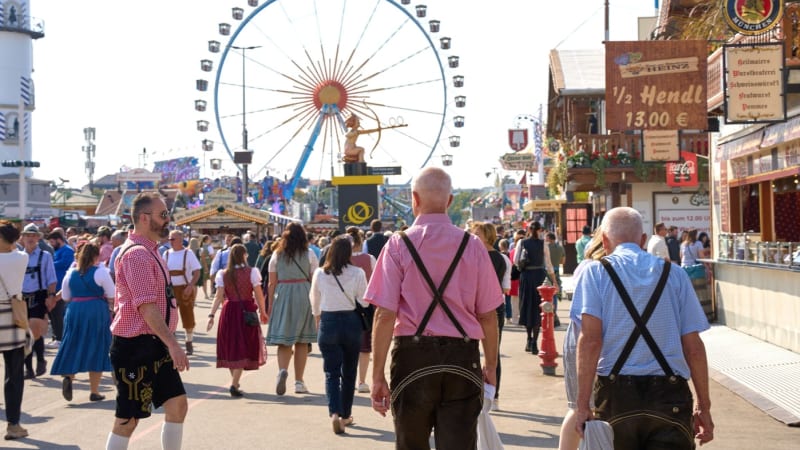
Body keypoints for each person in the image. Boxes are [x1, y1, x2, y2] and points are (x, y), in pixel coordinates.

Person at [366, 167, 502, 449]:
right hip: (462, 356)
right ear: (450, 201)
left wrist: (377, 374)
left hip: (412, 356)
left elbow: (384, 315)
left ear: (414, 199)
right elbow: (488, 315)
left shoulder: (398, 244)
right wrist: (490, 364)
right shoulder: (473, 245)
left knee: (411, 443)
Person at [573, 207, 714, 449]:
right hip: (670, 396)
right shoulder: (676, 274)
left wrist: (582, 404)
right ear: (643, 240)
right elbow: (694, 348)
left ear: (604, 240)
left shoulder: (595, 273)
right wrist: (704, 406)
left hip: (616, 395)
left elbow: (590, 341)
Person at [106, 192, 190, 450]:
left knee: (177, 404)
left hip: (154, 343)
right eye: (163, 214)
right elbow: (147, 308)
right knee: (127, 420)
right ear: (144, 218)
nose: (168, 220)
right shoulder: (137, 255)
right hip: (135, 347)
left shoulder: (152, 251)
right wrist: (173, 344)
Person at [309, 236, 368, 434]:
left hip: (328, 321)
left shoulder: (320, 273)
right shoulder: (357, 272)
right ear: (349, 253)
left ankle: (334, 412)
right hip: (351, 322)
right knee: (349, 372)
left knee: (331, 372)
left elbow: (314, 299)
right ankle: (345, 415)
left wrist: (318, 319)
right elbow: (365, 301)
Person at [558, 224, 606, 450]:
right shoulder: (594, 268)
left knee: (581, 406)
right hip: (583, 339)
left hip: (579, 338)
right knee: (580, 406)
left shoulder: (587, 266)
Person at [50, 242, 114, 403]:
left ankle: (69, 377)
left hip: (75, 310)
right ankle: (94, 391)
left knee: (73, 343)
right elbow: (112, 293)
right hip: (96, 310)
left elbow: (65, 296)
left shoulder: (70, 273)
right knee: (97, 346)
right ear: (95, 256)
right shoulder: (101, 272)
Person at [206, 244, 267, 397]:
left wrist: (212, 315)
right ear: (245, 255)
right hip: (246, 310)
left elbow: (218, 296)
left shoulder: (223, 273)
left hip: (229, 311)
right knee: (244, 346)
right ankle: (234, 384)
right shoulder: (252, 272)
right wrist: (263, 311)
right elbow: (259, 294)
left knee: (231, 346)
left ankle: (235, 380)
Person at [265, 222, 318, 396]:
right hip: (304, 293)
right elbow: (315, 278)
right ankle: (299, 381)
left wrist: (270, 304)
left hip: (283, 293)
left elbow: (272, 282)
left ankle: (282, 370)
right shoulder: (309, 254)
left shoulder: (277, 255)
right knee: (302, 340)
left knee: (284, 339)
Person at [471, 221, 510, 412]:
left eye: (477, 233)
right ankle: (477, 392)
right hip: (472, 307)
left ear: (487, 235)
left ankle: (493, 394)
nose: (473, 236)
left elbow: (503, 287)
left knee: (492, 352)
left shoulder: (498, 258)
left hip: (493, 308)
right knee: (471, 350)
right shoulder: (470, 255)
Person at [0, 220, 31, 440]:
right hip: (13, 316)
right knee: (14, 374)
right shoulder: (21, 258)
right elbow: (18, 250)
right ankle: (13, 424)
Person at [514, 222, 558, 355]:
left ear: (528, 229)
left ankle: (528, 339)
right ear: (540, 230)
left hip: (526, 276)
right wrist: (554, 280)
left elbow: (516, 261)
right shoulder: (543, 243)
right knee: (538, 308)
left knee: (527, 307)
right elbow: (549, 264)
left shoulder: (522, 242)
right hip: (539, 276)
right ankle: (534, 342)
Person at [20, 223, 57, 379]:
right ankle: (29, 368)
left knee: (34, 330)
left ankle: (40, 360)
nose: (30, 238)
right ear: (23, 238)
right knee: (24, 334)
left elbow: (51, 278)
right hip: (21, 297)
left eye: (33, 236)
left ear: (38, 238)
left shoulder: (45, 255)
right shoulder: (18, 256)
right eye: (27, 235)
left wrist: (51, 295)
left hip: (39, 295)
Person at [345, 226, 376, 394]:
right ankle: (362, 381)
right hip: (366, 305)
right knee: (364, 347)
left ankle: (347, 378)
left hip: (345, 304)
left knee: (348, 346)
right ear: (361, 241)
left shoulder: (341, 259)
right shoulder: (369, 259)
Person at [163, 230, 201, 356]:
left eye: (173, 239)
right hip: (170, 289)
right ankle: (171, 343)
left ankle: (188, 342)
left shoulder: (188, 253)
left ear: (180, 239)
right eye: (169, 239)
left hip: (184, 288)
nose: (170, 241)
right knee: (169, 316)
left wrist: (191, 286)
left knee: (188, 315)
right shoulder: (167, 254)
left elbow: (197, 271)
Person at [47, 228, 75, 348]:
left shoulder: (67, 251)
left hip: (62, 288)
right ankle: (56, 336)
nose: (51, 245)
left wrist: (47, 263)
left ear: (59, 240)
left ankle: (60, 338)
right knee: (53, 314)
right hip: (55, 287)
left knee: (58, 314)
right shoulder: (58, 251)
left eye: (53, 242)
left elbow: (65, 264)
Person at [546, 232, 566, 327]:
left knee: (546, 292)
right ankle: (554, 313)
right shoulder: (560, 248)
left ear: (549, 239)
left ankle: (549, 312)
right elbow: (563, 261)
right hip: (557, 270)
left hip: (547, 271)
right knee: (555, 292)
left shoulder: (546, 248)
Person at [498, 239, 513, 325]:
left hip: (502, 280)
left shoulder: (501, 256)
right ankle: (509, 317)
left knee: (503, 301)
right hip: (509, 280)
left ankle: (503, 316)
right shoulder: (510, 254)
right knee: (508, 300)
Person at [197, 235, 213, 300]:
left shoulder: (201, 247)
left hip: (202, 264)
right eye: (209, 238)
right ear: (206, 240)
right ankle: (211, 292)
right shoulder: (209, 247)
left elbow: (202, 257)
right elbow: (212, 256)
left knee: (204, 280)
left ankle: (206, 294)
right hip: (208, 264)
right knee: (212, 279)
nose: (211, 239)